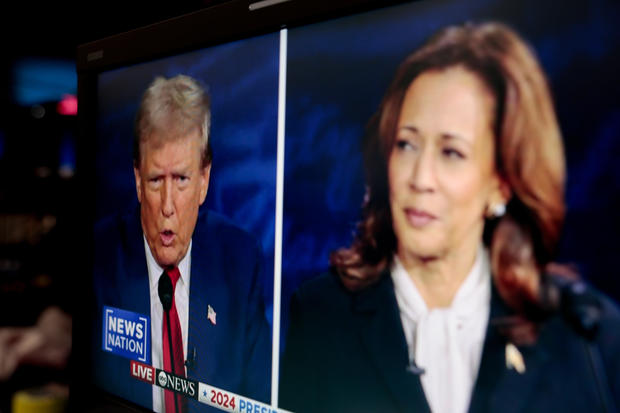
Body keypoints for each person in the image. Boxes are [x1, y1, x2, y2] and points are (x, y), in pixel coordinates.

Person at [279, 22, 620, 413]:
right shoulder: (322, 313)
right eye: (406, 145)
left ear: (502, 182)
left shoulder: (585, 335)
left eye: (451, 153)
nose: (420, 178)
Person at [92, 75, 271, 412]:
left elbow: (257, 401)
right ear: (137, 181)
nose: (168, 205)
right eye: (156, 180)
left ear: (204, 181)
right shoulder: (99, 258)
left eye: (182, 179)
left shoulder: (241, 261)